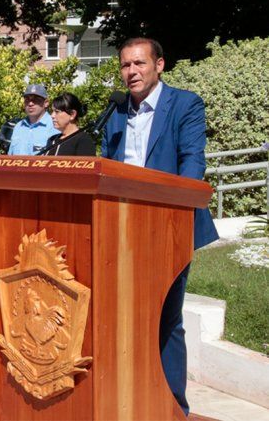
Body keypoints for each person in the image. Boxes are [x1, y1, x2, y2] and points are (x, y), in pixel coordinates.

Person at [102, 37, 219, 415]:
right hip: (120, 231)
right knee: (123, 320)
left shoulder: (184, 104)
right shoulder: (116, 112)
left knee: (166, 319)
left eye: (139, 64)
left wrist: (175, 216)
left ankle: (173, 407)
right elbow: (105, 168)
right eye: (125, 65)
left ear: (159, 65)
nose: (131, 72)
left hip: (169, 229)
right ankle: (131, 398)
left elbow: (192, 164)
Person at [6, 84, 59, 155]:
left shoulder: (55, 126)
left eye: (36, 100)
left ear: (46, 103)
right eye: (27, 100)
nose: (30, 103)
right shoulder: (18, 126)